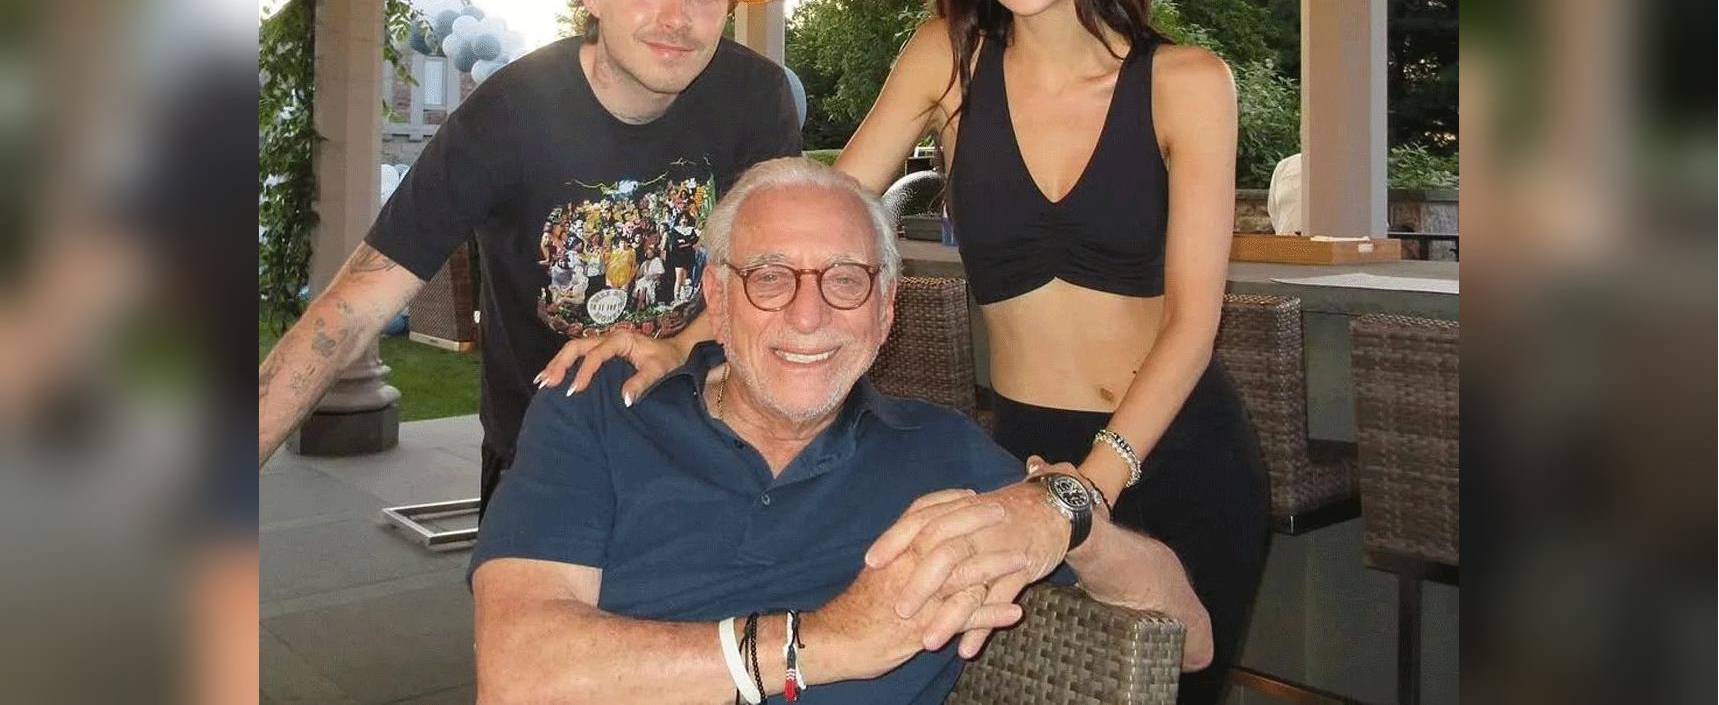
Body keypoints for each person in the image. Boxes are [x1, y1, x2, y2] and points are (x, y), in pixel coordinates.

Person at [536, 0, 1270, 702]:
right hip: (1020, 447)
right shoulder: (946, 59)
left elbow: (1192, 325)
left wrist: (1081, 494)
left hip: (1173, 451)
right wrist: (682, 340)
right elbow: (818, 217)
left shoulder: (1188, 83)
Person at [471, 158, 1212, 703]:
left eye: (846, 280)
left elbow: (1190, 639)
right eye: (770, 277)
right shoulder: (601, 409)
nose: (808, 315)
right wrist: (828, 642)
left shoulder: (940, 453)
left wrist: (1070, 518)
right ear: (717, 299)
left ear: (886, 310)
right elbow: (518, 673)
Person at [256, 0, 803, 516]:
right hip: (543, 455)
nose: (677, 19)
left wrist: (684, 346)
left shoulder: (753, 97)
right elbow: (356, 302)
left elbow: (777, 269)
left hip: (706, 442)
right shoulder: (507, 116)